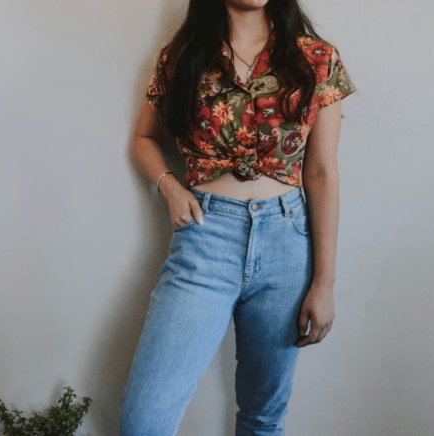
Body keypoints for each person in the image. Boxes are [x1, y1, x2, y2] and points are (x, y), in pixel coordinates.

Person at [120, 0, 355, 434]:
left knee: (263, 418)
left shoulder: (315, 57)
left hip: (287, 243)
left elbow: (322, 173)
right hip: (205, 237)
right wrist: (170, 187)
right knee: (143, 423)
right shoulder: (183, 57)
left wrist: (324, 283)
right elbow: (143, 137)